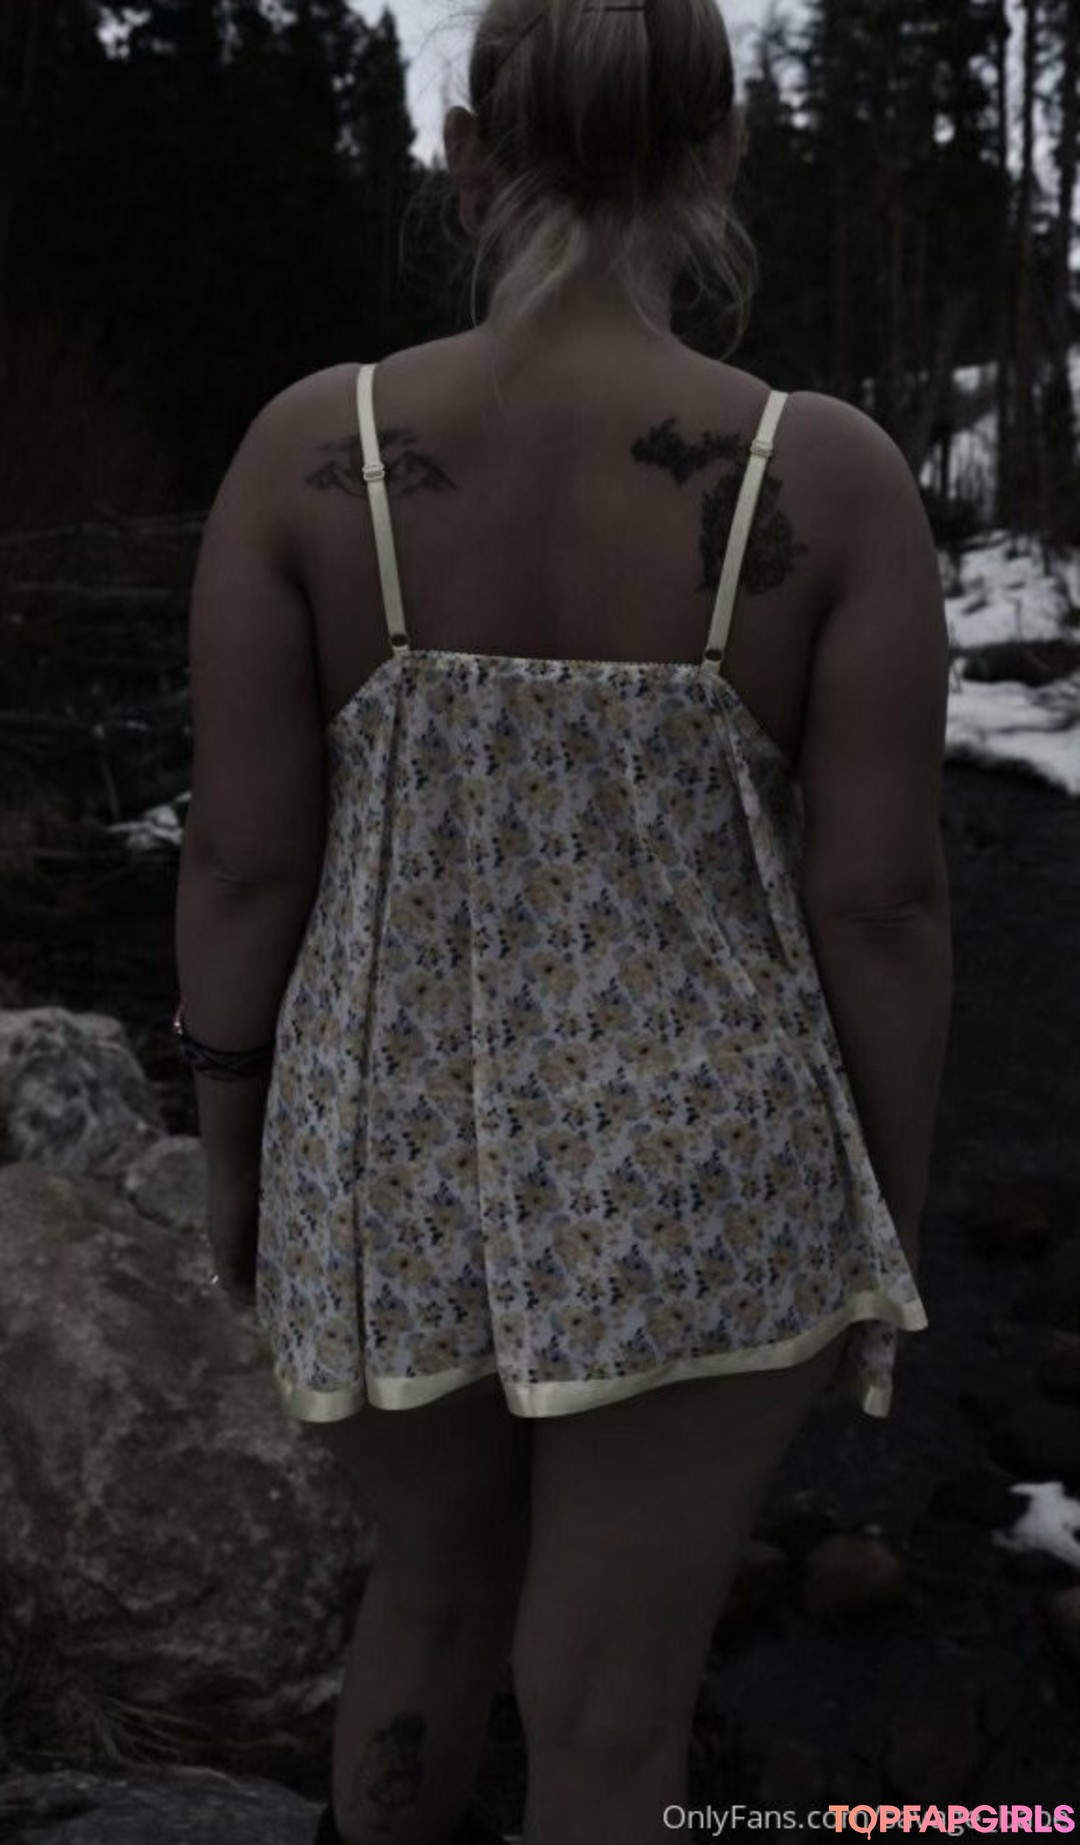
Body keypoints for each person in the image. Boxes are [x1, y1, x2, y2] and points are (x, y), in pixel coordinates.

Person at [172, 0, 954, 1838]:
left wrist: (234, 1143)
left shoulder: (315, 450)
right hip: (706, 1166)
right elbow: (882, 898)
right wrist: (886, 1199)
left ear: (466, 156)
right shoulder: (826, 473)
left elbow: (243, 864)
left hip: (382, 1153)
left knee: (431, 1596)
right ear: (718, 160)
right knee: (610, 1711)